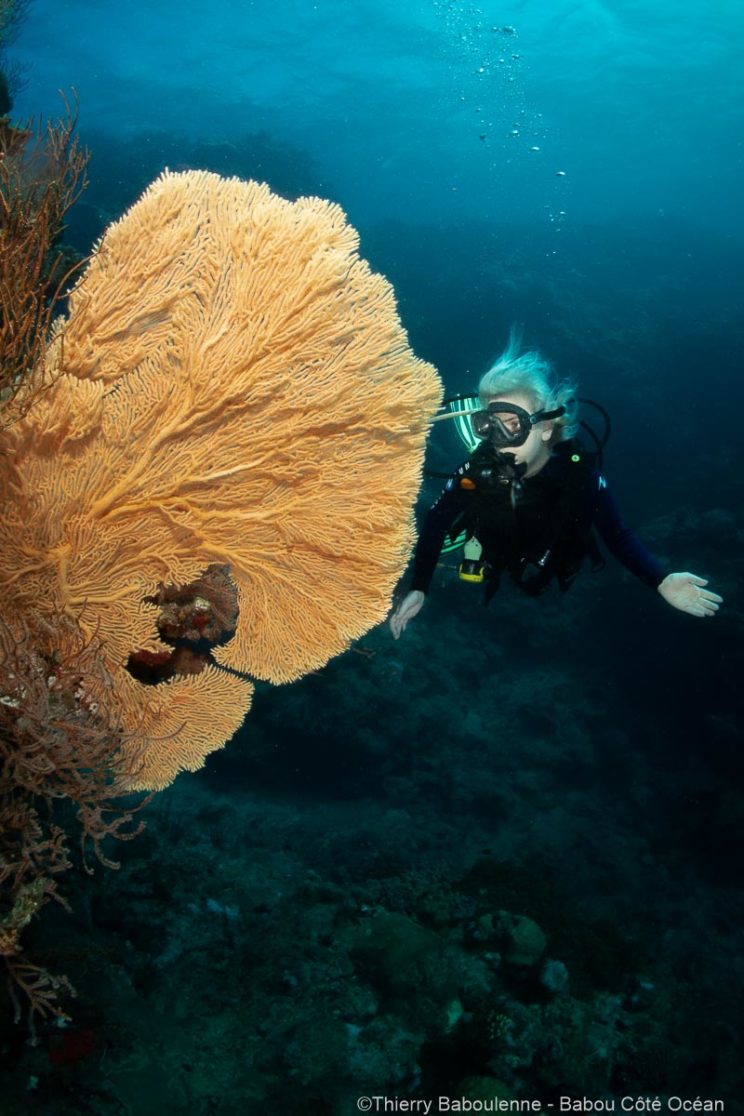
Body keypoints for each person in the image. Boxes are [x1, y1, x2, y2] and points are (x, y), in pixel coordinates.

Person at [390, 336, 723, 639]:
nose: (498, 441)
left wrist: (659, 579)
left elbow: (617, 534)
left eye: (513, 426)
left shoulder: (578, 477)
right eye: (489, 426)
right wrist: (420, 586)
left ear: (546, 427)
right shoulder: (477, 471)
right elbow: (436, 521)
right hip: (493, 547)